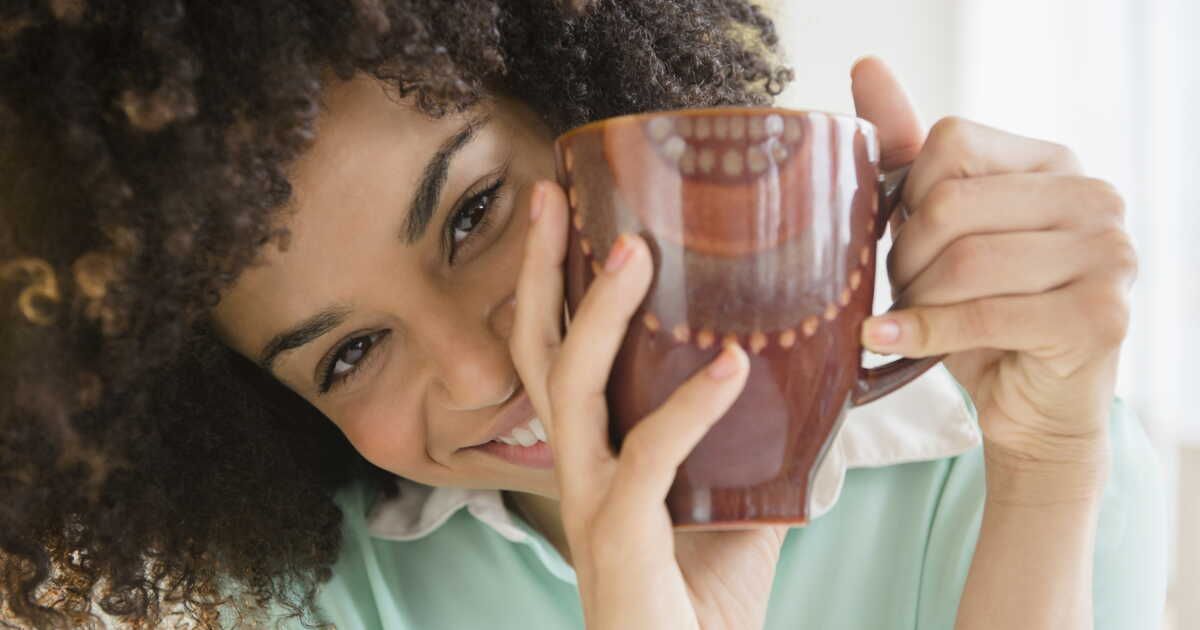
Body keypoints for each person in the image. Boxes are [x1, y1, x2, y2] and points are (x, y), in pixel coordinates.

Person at [0, 1, 1166, 628]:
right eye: (348, 352)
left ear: (590, 103)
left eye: (471, 215)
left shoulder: (1018, 461)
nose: (479, 369)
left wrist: (1049, 473)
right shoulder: (334, 607)